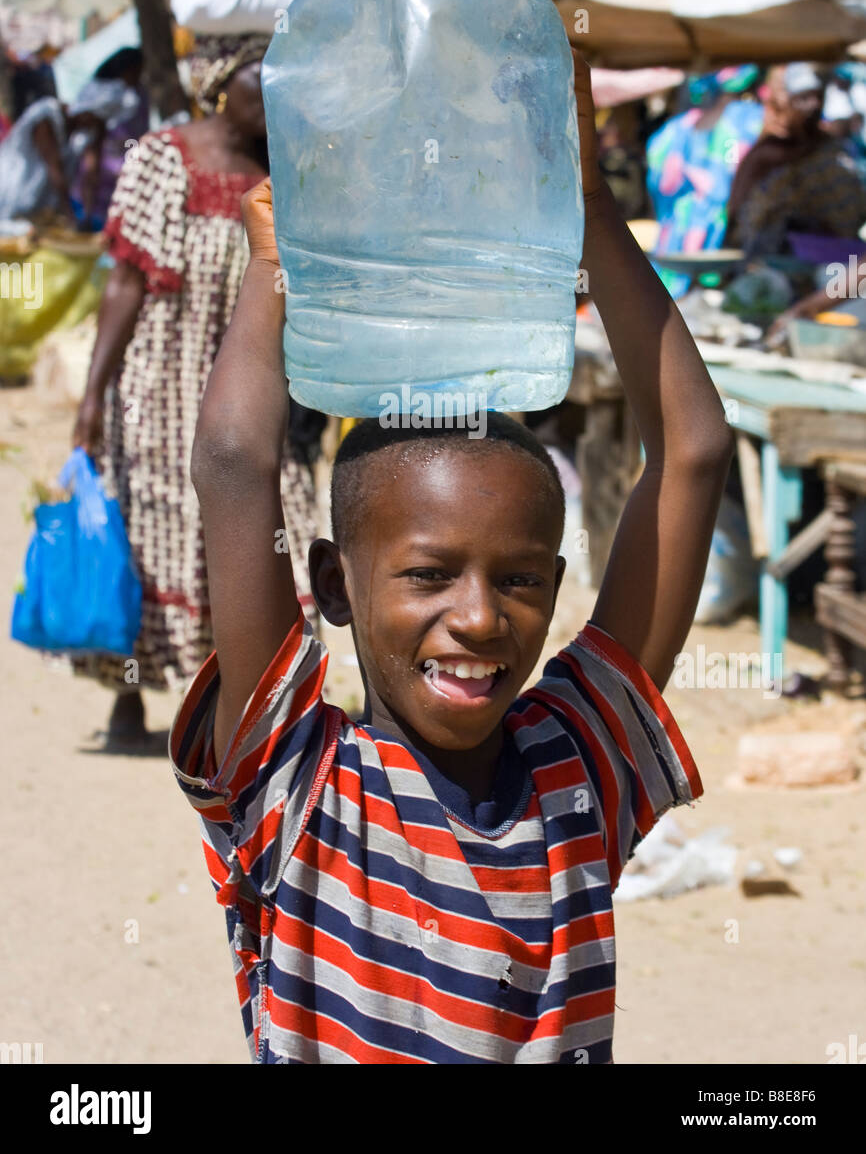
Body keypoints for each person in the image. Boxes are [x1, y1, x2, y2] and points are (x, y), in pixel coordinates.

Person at [169, 54, 732, 1064]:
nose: (478, 617)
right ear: (335, 584)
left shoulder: (579, 768)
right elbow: (235, 462)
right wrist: (274, 263)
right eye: (428, 574)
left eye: (517, 578)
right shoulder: (298, 787)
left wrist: (589, 201)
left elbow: (687, 453)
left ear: (557, 588)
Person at [72, 33, 319, 746]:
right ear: (218, 86)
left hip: (256, 386)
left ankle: (243, 707)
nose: (276, 103)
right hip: (161, 388)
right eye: (260, 86)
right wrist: (94, 394)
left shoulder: (285, 175)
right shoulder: (161, 157)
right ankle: (130, 703)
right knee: (155, 536)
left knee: (271, 527)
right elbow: (124, 280)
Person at [646, 65, 763, 295]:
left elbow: (657, 185)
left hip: (672, 249)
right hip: (715, 249)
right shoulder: (742, 124)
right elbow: (738, 178)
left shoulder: (674, 129)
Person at [727, 63, 866, 257]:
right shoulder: (768, 151)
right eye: (803, 98)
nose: (813, 105)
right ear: (785, 102)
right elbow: (742, 209)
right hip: (773, 254)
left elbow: (848, 207)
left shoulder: (827, 148)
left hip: (833, 254)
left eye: (817, 96)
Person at [0, 84, 119, 229]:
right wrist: (71, 219)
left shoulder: (89, 127)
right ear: (85, 113)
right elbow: (55, 171)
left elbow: (91, 172)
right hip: (17, 192)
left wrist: (87, 215)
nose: (93, 127)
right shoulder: (45, 117)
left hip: (45, 203)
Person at [69, 47, 150, 231]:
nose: (139, 74)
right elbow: (93, 154)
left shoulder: (140, 94)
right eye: (136, 69)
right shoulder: (106, 95)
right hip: (102, 180)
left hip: (128, 169)